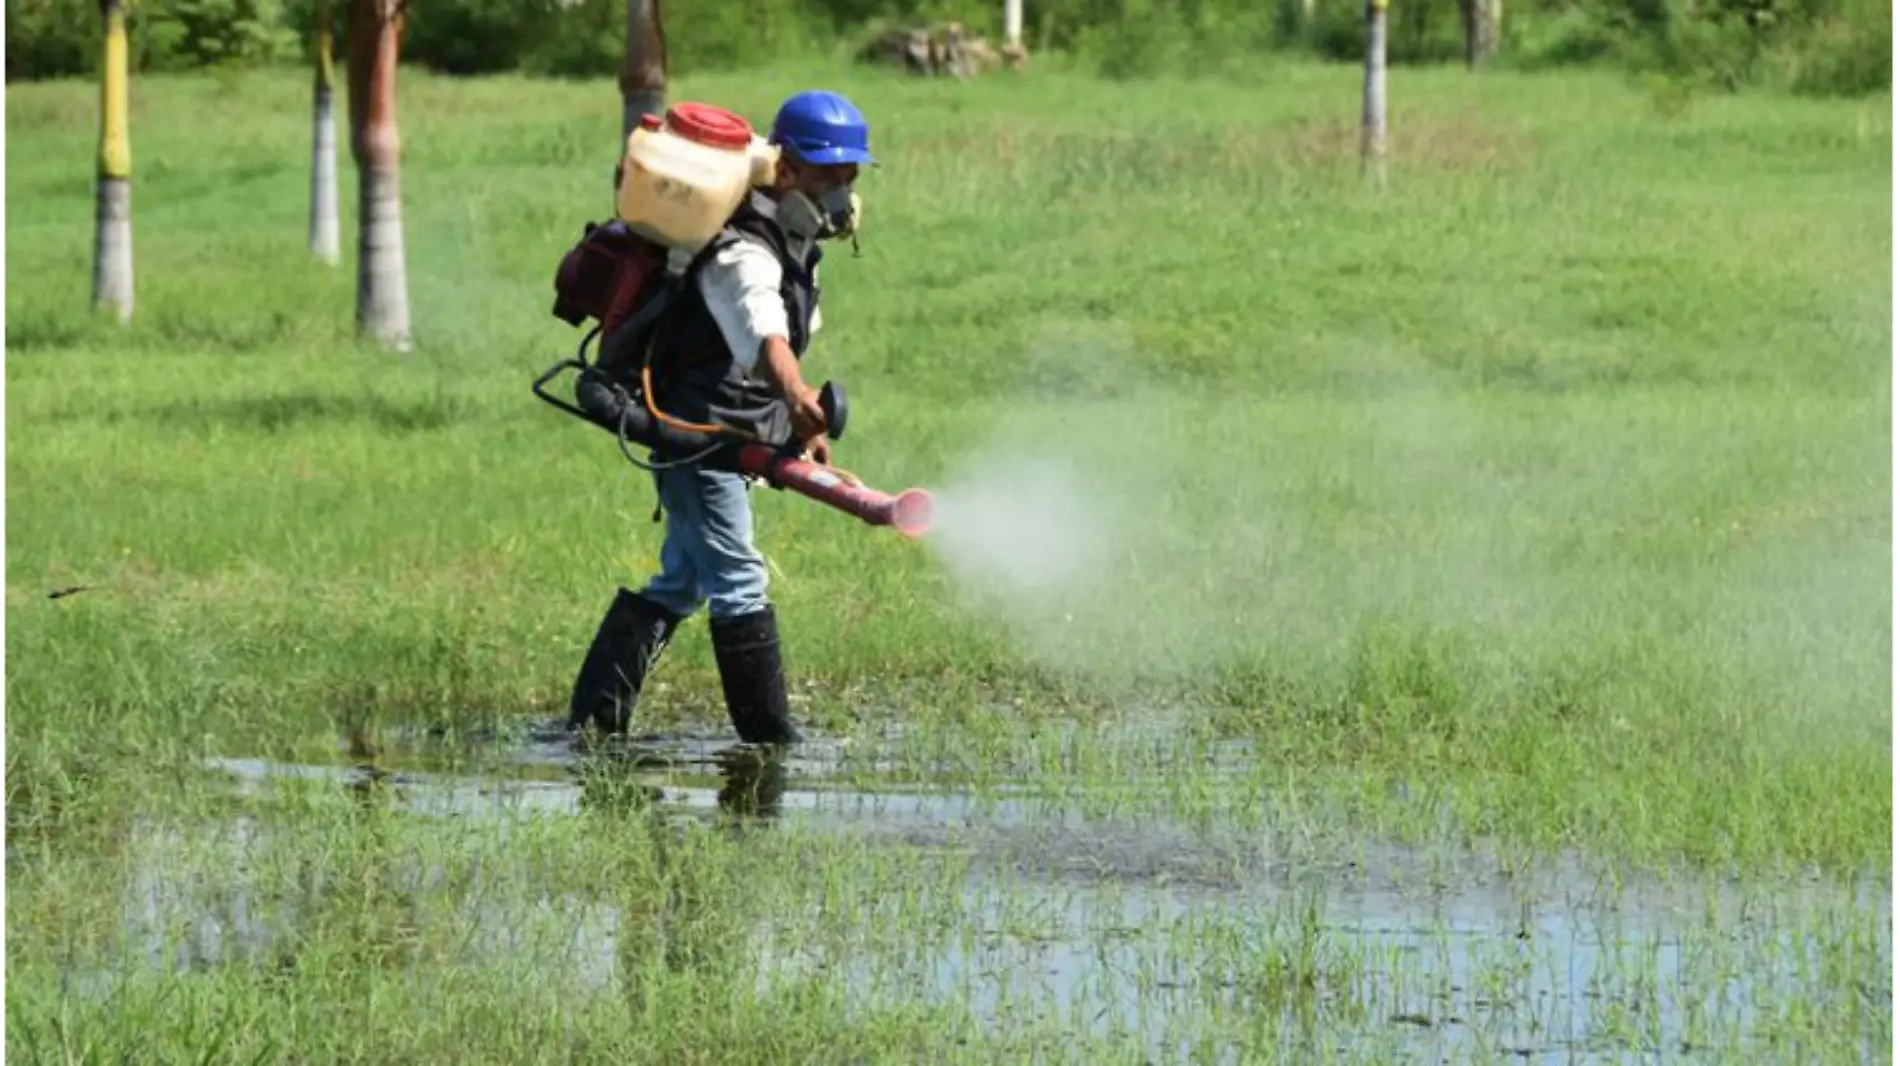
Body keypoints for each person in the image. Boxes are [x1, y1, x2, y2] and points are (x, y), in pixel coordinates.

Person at [566, 89, 874, 748]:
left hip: (730, 432)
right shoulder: (743, 252)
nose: (843, 195)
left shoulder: (795, 245)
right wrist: (797, 398)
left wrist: (806, 427)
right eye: (829, 177)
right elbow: (764, 341)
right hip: (698, 435)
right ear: (785, 171)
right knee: (739, 578)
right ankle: (769, 744)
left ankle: (593, 721)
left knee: (682, 578)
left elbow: (787, 340)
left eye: (851, 178)